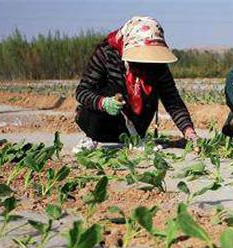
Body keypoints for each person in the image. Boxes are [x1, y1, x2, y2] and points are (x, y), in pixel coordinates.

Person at [73, 16, 197, 152]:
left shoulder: (158, 66)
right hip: (102, 122)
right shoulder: (106, 55)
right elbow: (82, 91)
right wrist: (103, 103)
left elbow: (172, 100)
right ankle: (93, 138)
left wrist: (188, 130)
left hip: (136, 127)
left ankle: (133, 137)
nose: (146, 64)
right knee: (113, 90)